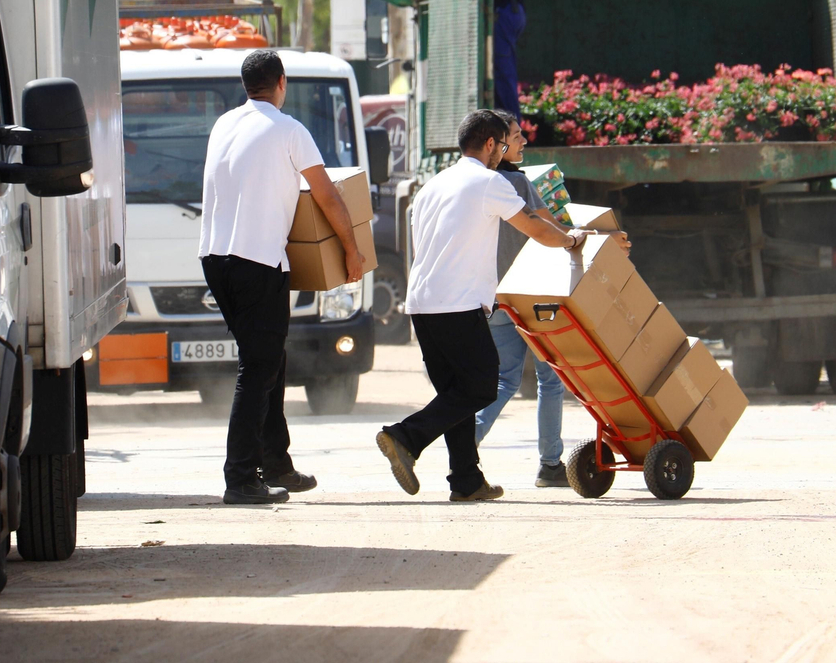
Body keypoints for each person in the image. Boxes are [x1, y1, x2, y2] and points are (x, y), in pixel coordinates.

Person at [374, 109, 589, 502]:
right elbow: (535, 227)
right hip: (458, 304)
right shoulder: (490, 182)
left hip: (422, 305)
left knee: (455, 393)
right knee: (483, 385)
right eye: (502, 145)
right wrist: (572, 241)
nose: (503, 152)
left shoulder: (433, 186)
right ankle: (404, 436)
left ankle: (466, 480)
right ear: (491, 144)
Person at [200, 49, 365, 505]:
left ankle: (276, 463)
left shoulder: (224, 125)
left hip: (215, 260)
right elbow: (328, 196)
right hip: (257, 263)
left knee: (269, 360)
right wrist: (351, 250)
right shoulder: (289, 129)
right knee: (258, 368)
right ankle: (240, 478)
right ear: (281, 83)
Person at [474, 112, 572, 486]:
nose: (522, 142)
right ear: (498, 144)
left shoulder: (476, 184)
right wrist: (583, 234)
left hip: (495, 297)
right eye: (516, 137)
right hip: (530, 297)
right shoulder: (517, 182)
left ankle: (468, 443)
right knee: (551, 378)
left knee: (503, 380)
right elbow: (547, 227)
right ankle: (550, 465)